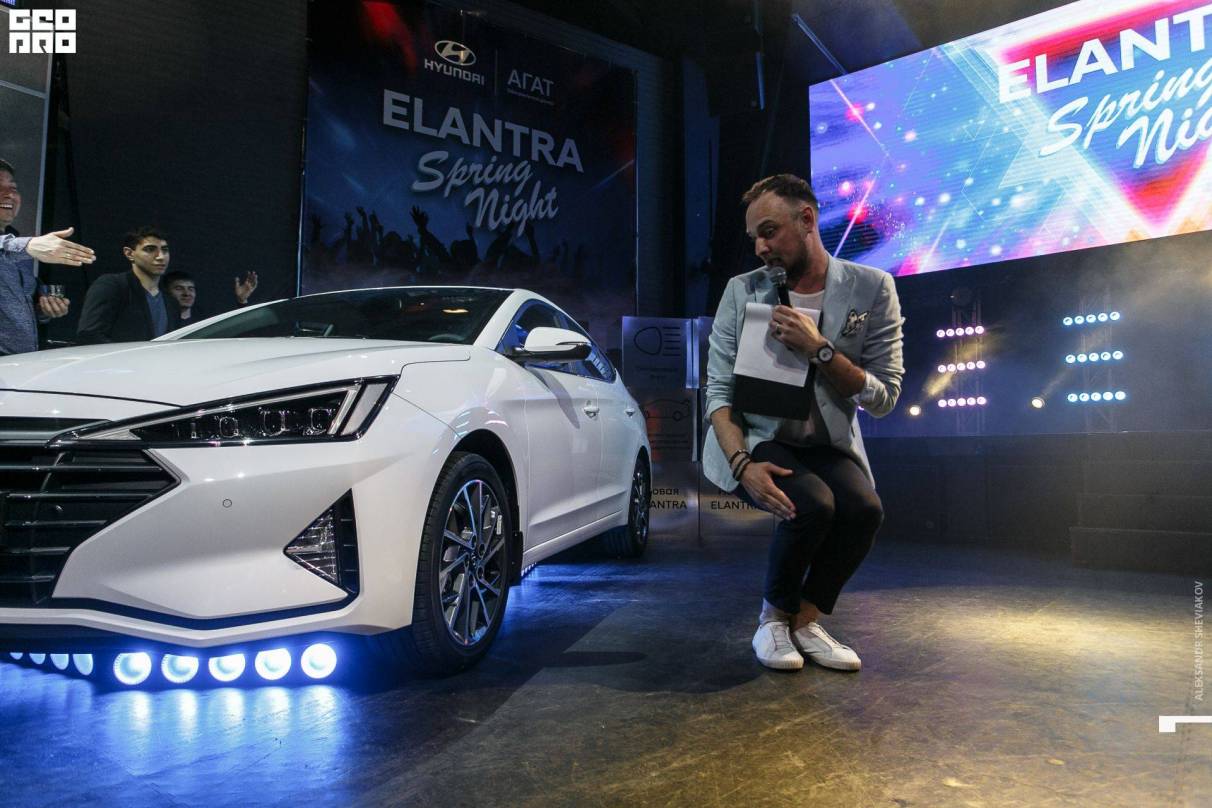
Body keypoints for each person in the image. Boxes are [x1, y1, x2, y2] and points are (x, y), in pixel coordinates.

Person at [703, 174, 904, 672]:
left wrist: (821, 350)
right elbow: (719, 393)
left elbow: (884, 397)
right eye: (754, 236)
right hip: (759, 438)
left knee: (864, 511)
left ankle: (805, 620)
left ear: (807, 219)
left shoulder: (871, 287)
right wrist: (742, 463)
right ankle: (771, 620)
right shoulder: (742, 291)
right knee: (811, 503)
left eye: (769, 231)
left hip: (827, 442)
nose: (760, 247)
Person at [0, 158, 95, 355]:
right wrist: (28, 245)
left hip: (19, 363)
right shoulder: (19, 246)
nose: (9, 194)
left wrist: (43, 309)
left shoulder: (18, 249)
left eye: (13, 188)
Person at [76, 226, 178, 343]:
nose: (161, 257)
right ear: (129, 253)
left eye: (165, 250)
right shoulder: (111, 286)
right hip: (117, 355)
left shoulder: (171, 301)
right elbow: (90, 335)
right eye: (150, 249)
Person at [162, 269, 258, 323]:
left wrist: (242, 301)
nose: (187, 293)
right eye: (179, 288)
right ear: (167, 292)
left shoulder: (205, 322)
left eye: (191, 289)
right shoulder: (161, 324)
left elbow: (238, 330)